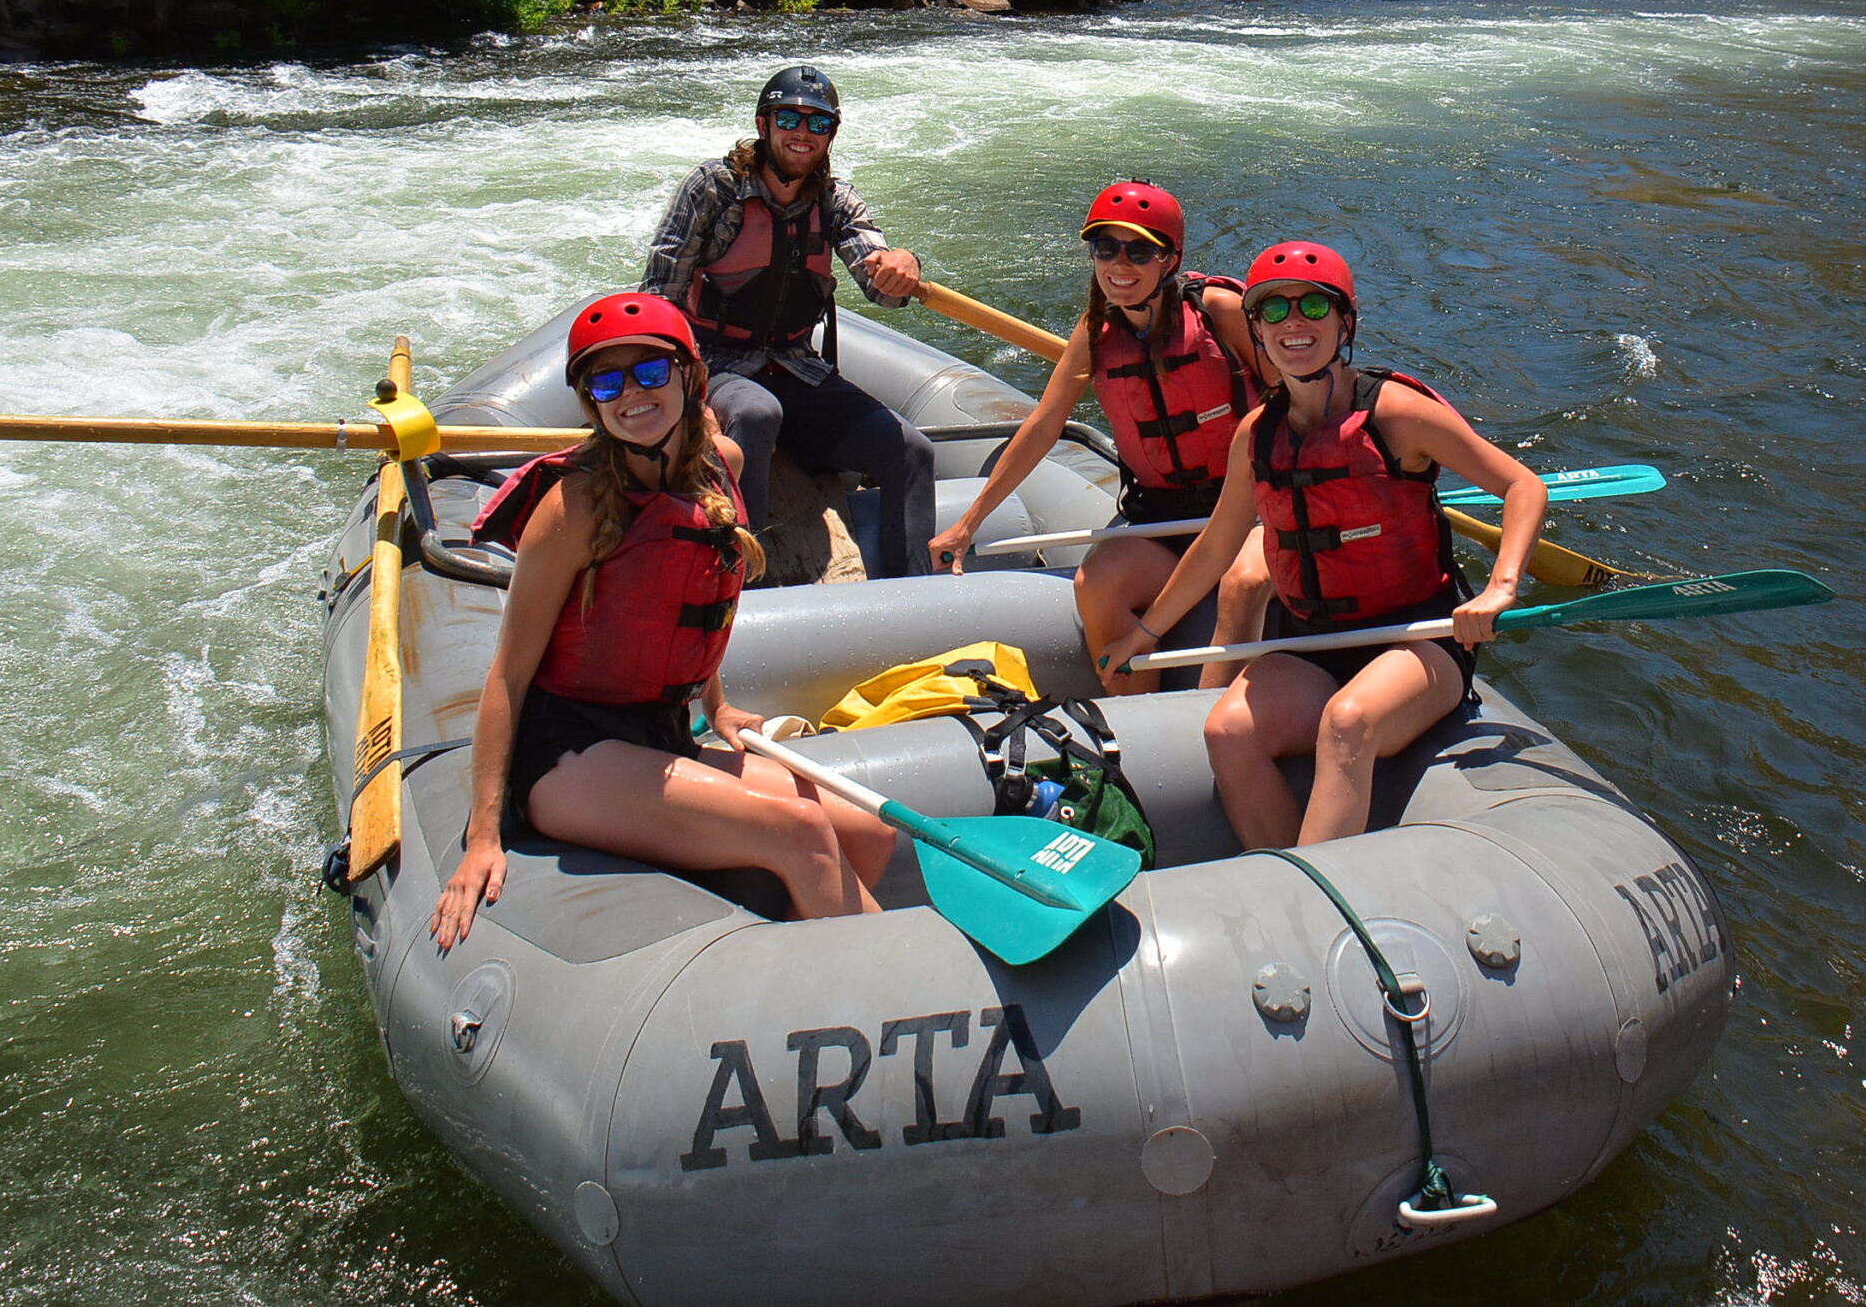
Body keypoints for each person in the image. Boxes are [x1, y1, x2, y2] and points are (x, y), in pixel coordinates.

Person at [433, 293, 893, 947]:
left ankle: (805, 970)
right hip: (570, 753)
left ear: (687, 378)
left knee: (872, 831)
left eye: (650, 372)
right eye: (607, 380)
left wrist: (720, 705)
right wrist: (482, 836)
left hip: (663, 733)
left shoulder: (721, 467)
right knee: (804, 830)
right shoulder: (576, 507)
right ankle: (873, 983)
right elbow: (507, 675)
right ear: (589, 399)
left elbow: (690, 605)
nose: (631, 394)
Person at [1098, 243, 1548, 849]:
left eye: (1313, 305)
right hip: (1314, 639)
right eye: (1273, 312)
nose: (1294, 324)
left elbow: (1521, 486)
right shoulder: (1257, 435)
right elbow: (1215, 548)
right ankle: (1288, 874)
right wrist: (1143, 636)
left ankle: (1314, 903)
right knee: (1229, 732)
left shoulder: (1397, 415)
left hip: (1420, 638)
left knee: (1348, 722)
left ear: (1345, 322)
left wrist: (1500, 588)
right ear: (1254, 329)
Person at [926, 182, 1274, 693]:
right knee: (1096, 583)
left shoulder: (1220, 312)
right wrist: (968, 523)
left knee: (1244, 584)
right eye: (1105, 248)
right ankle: (1135, 730)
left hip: (1250, 508)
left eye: (1139, 251)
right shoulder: (1097, 332)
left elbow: (1293, 399)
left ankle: (1207, 726)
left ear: (1170, 259)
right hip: (1161, 516)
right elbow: (1044, 426)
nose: (1120, 264)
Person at [640, 66, 938, 578]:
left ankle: (912, 594)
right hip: (714, 363)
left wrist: (902, 261)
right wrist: (687, 397)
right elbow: (657, 296)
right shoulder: (714, 189)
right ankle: (738, 583)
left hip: (796, 367)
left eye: (818, 123)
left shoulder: (833, 198)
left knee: (911, 450)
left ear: (831, 135)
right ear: (764, 123)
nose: (802, 133)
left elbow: (878, 280)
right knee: (757, 414)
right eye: (789, 118)